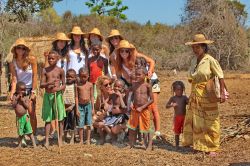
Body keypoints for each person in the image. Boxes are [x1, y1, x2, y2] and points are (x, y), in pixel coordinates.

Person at [182, 34, 226, 156]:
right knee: (197, 120)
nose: (194, 50)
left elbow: (220, 76)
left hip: (208, 93)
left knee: (211, 119)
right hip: (195, 93)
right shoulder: (193, 61)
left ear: (203, 47)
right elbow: (191, 77)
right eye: (193, 47)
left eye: (197, 47)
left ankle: (212, 147)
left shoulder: (210, 60)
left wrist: (222, 92)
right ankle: (199, 145)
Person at [9, 38, 38, 137]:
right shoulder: (12, 63)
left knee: (31, 113)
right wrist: (12, 93)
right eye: (18, 48)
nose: (20, 50)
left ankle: (33, 135)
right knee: (20, 113)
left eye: (22, 48)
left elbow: (35, 76)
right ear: (15, 49)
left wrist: (34, 91)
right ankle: (22, 136)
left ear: (25, 49)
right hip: (19, 90)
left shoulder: (32, 60)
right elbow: (14, 79)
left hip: (30, 89)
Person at [44, 32, 71, 138]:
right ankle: (54, 130)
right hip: (53, 83)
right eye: (60, 41)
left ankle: (63, 130)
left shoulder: (66, 54)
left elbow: (67, 68)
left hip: (63, 82)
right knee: (53, 107)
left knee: (63, 106)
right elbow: (46, 69)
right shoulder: (51, 54)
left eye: (64, 41)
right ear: (56, 42)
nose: (62, 43)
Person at [40, 51, 66, 148]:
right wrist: (48, 83)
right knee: (48, 119)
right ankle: (46, 140)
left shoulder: (60, 71)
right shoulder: (44, 70)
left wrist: (58, 89)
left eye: (53, 58)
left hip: (57, 96)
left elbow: (64, 84)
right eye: (49, 58)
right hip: (48, 96)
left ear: (57, 59)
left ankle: (60, 139)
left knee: (60, 118)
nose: (50, 60)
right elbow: (41, 84)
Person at [127, 67, 154, 150]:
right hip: (135, 109)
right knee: (131, 126)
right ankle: (131, 143)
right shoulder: (134, 85)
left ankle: (149, 145)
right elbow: (131, 96)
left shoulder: (147, 85)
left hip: (144, 109)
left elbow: (152, 99)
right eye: (136, 74)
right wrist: (131, 103)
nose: (137, 76)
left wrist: (142, 107)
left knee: (148, 127)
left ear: (145, 75)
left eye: (139, 74)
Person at [12, 82, 36, 148]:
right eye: (21, 90)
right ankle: (19, 145)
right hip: (19, 118)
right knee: (20, 132)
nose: (23, 91)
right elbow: (13, 105)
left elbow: (27, 106)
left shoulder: (25, 97)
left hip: (25, 117)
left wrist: (22, 101)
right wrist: (16, 99)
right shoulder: (14, 96)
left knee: (30, 131)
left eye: (24, 90)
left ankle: (34, 145)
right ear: (17, 90)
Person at [103, 79, 127, 144]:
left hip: (120, 116)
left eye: (119, 87)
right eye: (115, 86)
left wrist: (120, 96)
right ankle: (113, 138)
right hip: (112, 115)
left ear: (123, 88)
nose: (116, 88)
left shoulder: (124, 96)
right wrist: (105, 105)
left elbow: (124, 107)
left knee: (114, 130)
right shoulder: (112, 95)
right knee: (104, 124)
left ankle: (122, 130)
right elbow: (105, 101)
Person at [166, 81, 188, 148]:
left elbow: (189, 102)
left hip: (184, 117)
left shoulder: (184, 97)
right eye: (178, 90)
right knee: (177, 132)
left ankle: (185, 144)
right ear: (174, 90)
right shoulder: (173, 98)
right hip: (177, 118)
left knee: (185, 131)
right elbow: (166, 106)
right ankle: (177, 145)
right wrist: (172, 105)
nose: (179, 91)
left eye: (181, 90)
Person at [76, 68, 94, 145]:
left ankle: (88, 140)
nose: (83, 78)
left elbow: (92, 96)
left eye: (85, 76)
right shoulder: (77, 85)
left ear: (88, 76)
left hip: (88, 105)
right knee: (80, 123)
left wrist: (93, 108)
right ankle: (81, 140)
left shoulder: (90, 85)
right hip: (80, 106)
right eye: (81, 76)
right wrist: (77, 109)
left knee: (89, 123)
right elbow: (76, 97)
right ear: (79, 76)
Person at [93, 75, 113, 145]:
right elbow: (96, 109)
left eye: (110, 84)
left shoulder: (114, 95)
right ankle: (103, 137)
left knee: (100, 122)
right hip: (105, 117)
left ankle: (106, 137)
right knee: (94, 119)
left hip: (113, 117)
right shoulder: (100, 97)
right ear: (101, 87)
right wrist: (98, 112)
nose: (109, 86)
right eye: (106, 85)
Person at [63, 69, 77, 144]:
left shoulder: (75, 86)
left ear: (75, 78)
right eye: (67, 76)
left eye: (71, 77)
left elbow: (76, 97)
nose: (69, 78)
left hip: (72, 107)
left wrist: (72, 106)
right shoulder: (64, 85)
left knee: (72, 123)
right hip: (64, 107)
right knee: (65, 122)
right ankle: (64, 137)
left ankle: (72, 138)